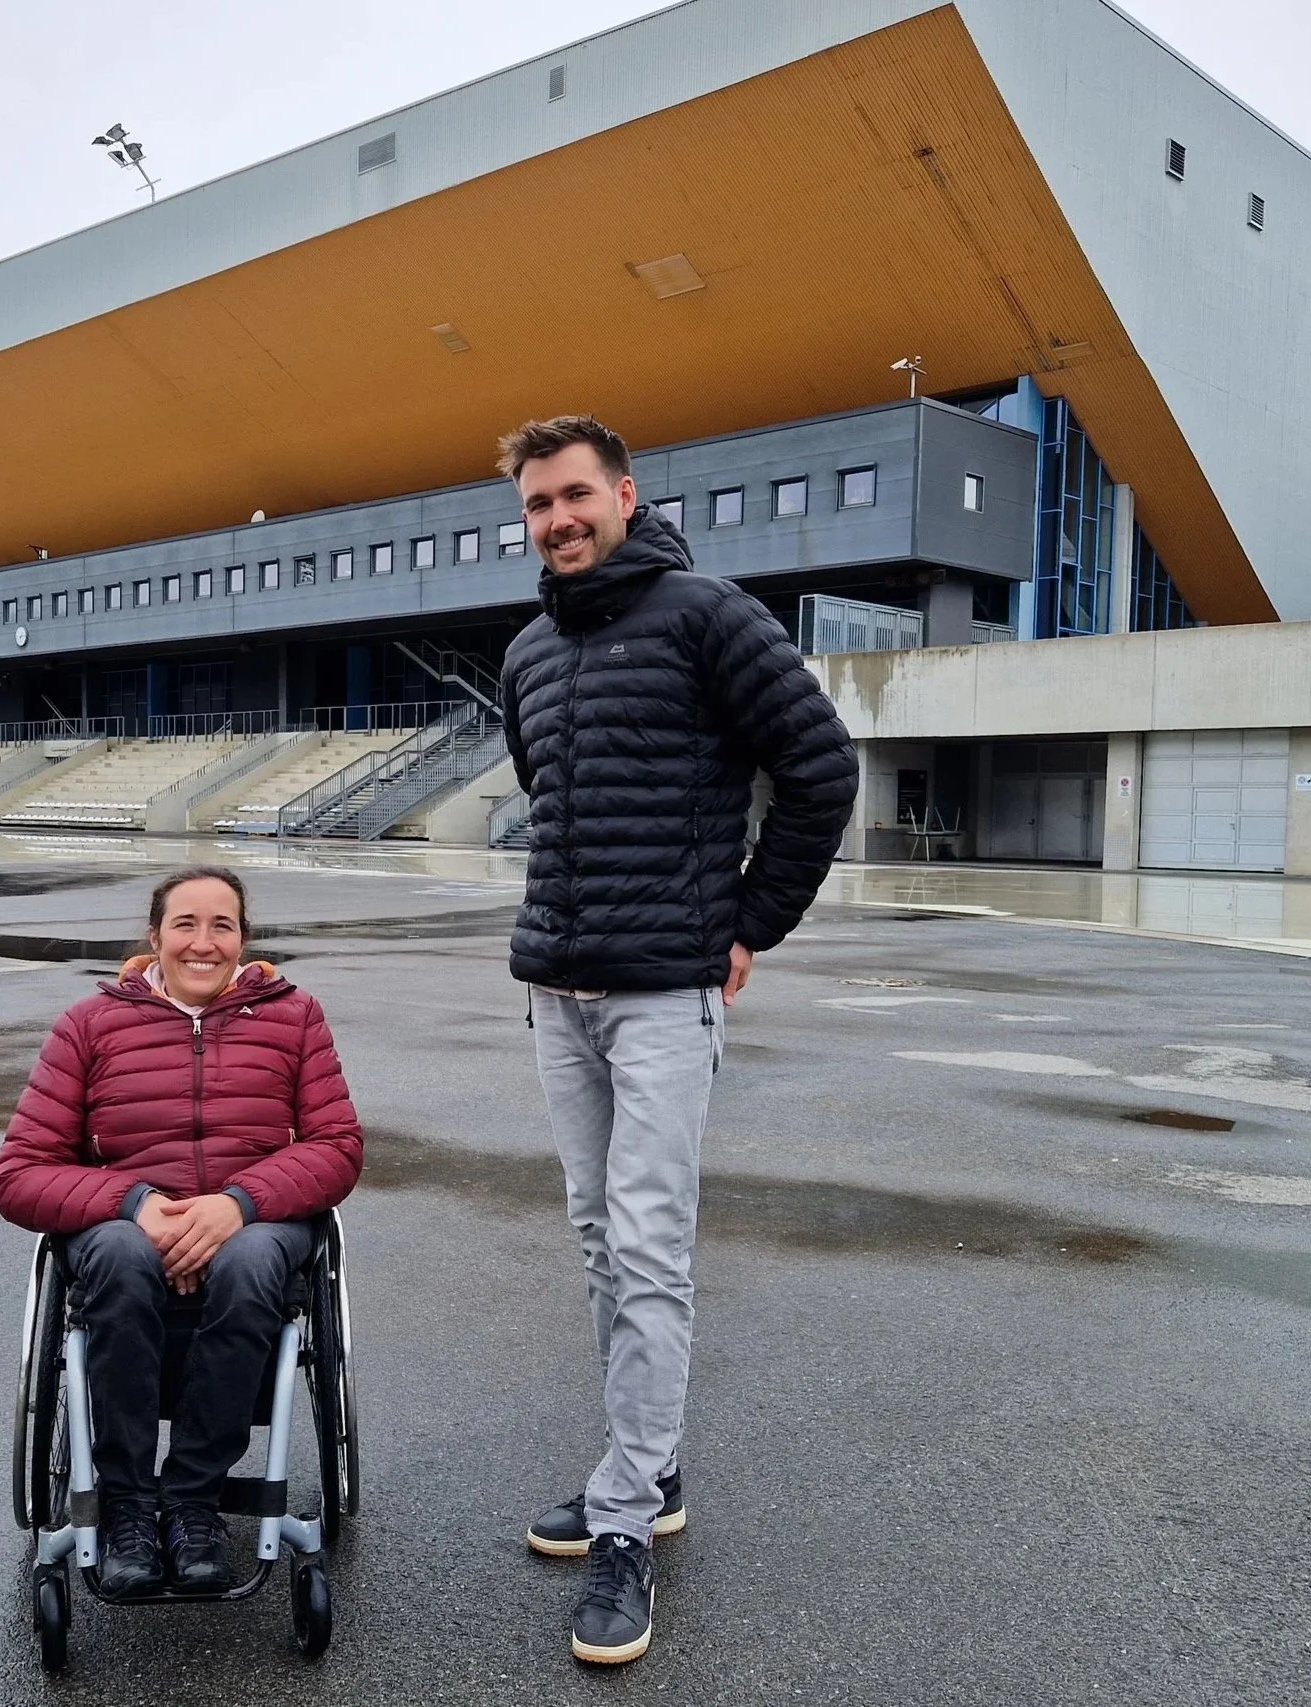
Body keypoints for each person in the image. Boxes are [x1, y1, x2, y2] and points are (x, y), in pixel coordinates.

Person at [496, 415, 859, 1666]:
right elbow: (550, 797)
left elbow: (819, 769)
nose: (558, 520)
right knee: (599, 1238)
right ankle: (642, 1470)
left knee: (647, 1247)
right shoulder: (529, 651)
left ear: (626, 494)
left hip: (663, 996)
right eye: (538, 504)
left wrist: (749, 922)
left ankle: (621, 1529)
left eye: (575, 495)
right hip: (559, 993)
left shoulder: (707, 614)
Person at [0, 867, 364, 1599]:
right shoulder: (89, 1024)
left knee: (254, 1261)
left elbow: (337, 1146)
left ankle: (193, 1498)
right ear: (154, 936)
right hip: (120, 1228)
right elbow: (18, 1173)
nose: (203, 941)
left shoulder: (294, 1017)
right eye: (185, 924)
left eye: (222, 924)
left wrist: (237, 1203)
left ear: (244, 938)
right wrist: (136, 1204)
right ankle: (128, 1503)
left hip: (255, 1225)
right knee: (123, 1258)